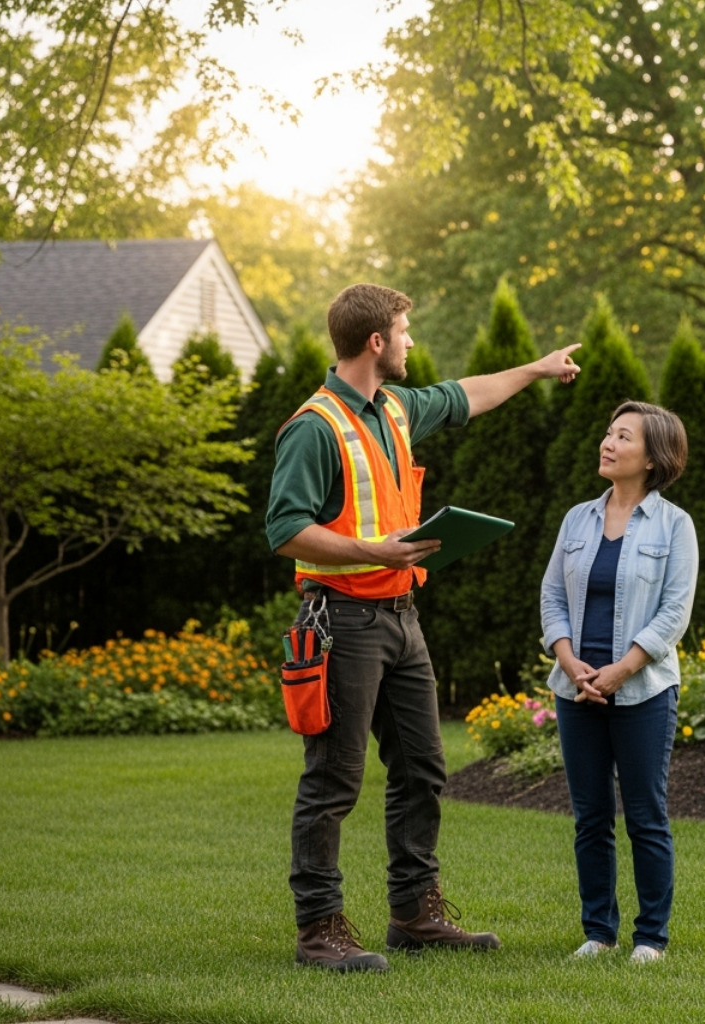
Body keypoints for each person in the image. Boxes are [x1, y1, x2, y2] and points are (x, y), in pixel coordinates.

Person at [266, 282, 580, 972]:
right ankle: (319, 928)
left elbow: (470, 393)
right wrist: (374, 552)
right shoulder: (315, 426)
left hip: (403, 620)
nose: (411, 343)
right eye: (404, 332)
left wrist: (536, 368)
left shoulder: (398, 408)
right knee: (334, 778)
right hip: (341, 623)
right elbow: (286, 531)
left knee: (423, 768)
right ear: (376, 342)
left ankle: (414, 914)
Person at [539, 400, 697, 963]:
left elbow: (674, 613)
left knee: (646, 816)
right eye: (608, 433)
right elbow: (552, 596)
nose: (608, 443)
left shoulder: (675, 526)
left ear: (652, 458)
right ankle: (597, 933)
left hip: (644, 692)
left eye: (623, 437)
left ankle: (650, 937)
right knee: (590, 817)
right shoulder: (577, 519)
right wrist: (568, 659)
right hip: (576, 689)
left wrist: (621, 669)